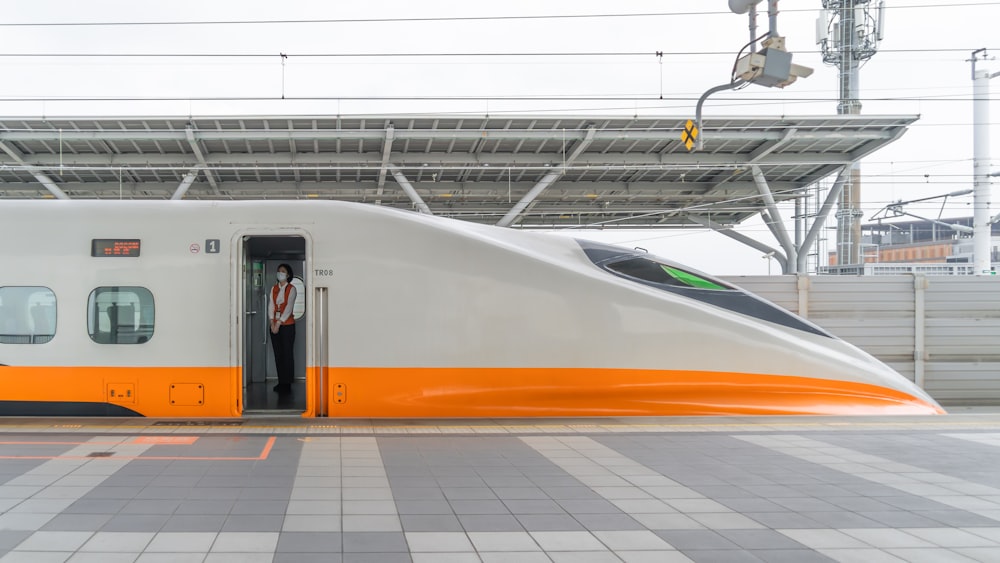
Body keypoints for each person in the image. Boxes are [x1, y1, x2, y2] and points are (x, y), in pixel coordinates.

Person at [267, 263, 297, 394]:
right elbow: (271, 306)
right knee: (278, 355)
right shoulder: (274, 288)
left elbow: (289, 308)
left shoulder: (292, 289)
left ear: (288, 274)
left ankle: (287, 383)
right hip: (274, 326)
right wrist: (271, 322)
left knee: (287, 354)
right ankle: (281, 382)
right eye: (279, 271)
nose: (280, 273)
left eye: (283, 271)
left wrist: (278, 323)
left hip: (287, 326)